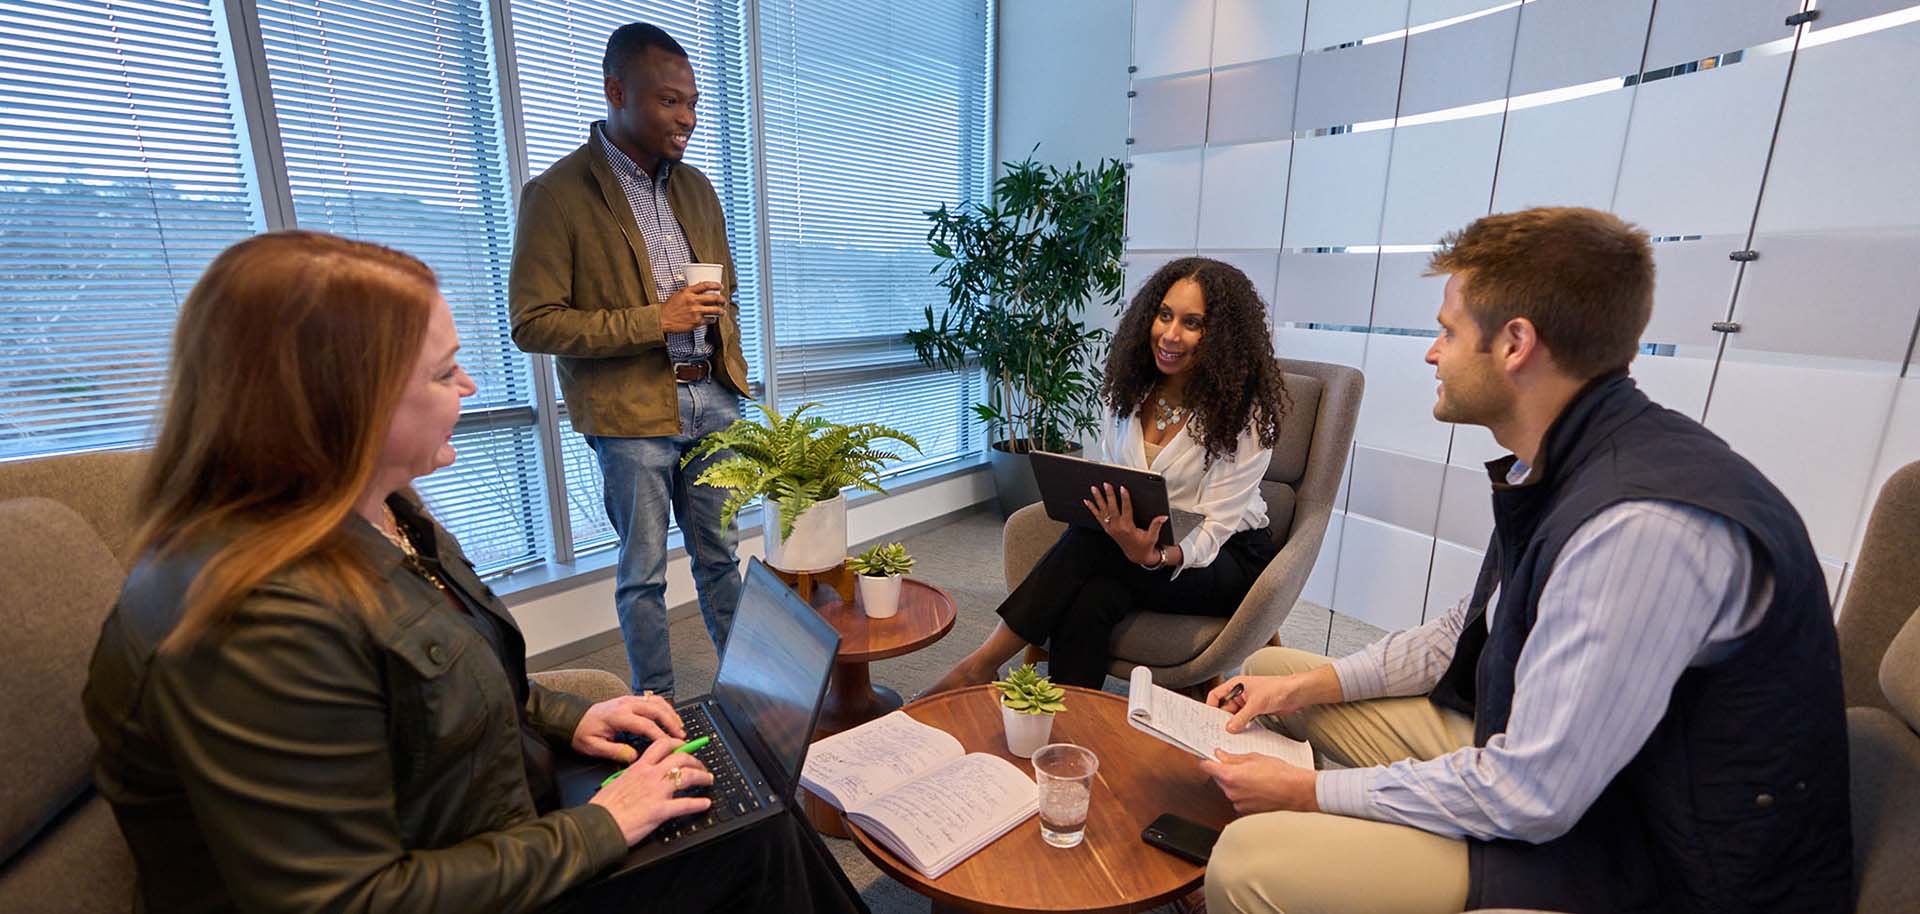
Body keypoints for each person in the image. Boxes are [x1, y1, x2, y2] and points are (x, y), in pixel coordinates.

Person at [82, 231, 868, 914]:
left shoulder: (384, 516)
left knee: (748, 806)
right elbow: (349, 900)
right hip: (465, 875)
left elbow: (438, 690)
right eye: (443, 372)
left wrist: (566, 719)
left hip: (493, 822)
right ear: (340, 405)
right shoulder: (254, 623)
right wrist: (601, 826)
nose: (469, 388)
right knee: (754, 840)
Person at [1198, 208, 1852, 914]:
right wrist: (1297, 690)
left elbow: (1533, 795)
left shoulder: (1637, 526)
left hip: (1643, 846)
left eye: (1447, 332)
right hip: (1566, 765)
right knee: (1268, 674)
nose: (1431, 353)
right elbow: (1458, 634)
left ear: (1515, 344)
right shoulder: (1569, 458)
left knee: (1246, 865)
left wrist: (1311, 794)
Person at [508, 22, 750, 698]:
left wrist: (718, 320)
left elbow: (724, 285)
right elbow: (532, 322)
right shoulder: (555, 196)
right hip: (631, 414)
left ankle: (755, 695)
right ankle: (659, 712)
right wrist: (657, 321)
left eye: (694, 103)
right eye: (671, 101)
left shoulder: (698, 188)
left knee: (721, 560)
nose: (689, 119)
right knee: (644, 574)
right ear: (616, 90)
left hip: (714, 398)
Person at [927, 257, 1290, 693]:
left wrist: (1154, 557)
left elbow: (1216, 528)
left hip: (1224, 559)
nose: (1170, 335)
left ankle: (980, 665)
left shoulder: (1244, 416)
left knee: (1089, 543)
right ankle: (1065, 729)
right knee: (1093, 596)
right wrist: (1119, 526)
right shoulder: (1128, 390)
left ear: (1221, 337)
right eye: (1165, 315)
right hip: (1135, 542)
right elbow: (1120, 479)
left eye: (1192, 323)